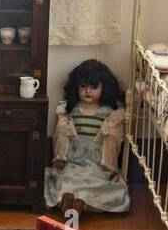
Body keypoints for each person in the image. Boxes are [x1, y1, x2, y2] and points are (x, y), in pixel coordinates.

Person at [44, 60, 129, 214]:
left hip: (97, 164)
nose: (87, 91)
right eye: (83, 86)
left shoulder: (110, 113)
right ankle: (69, 203)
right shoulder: (71, 111)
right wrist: (60, 155)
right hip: (73, 161)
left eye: (93, 87)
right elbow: (62, 134)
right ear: (76, 87)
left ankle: (81, 204)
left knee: (98, 184)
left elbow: (115, 137)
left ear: (105, 88)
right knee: (65, 180)